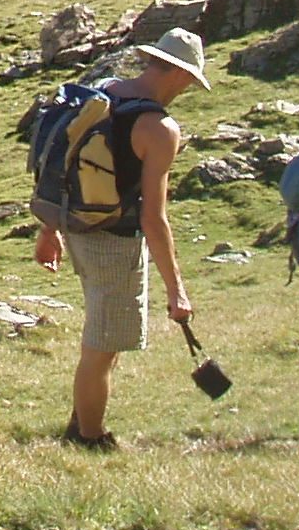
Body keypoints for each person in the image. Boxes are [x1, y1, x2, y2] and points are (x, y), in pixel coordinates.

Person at [34, 27, 208, 449]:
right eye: (190, 79)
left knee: (105, 339)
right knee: (101, 347)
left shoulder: (105, 91)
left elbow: (63, 163)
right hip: (114, 243)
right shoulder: (159, 128)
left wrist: (50, 228)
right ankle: (88, 438)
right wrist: (177, 291)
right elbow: (154, 218)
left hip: (78, 228)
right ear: (180, 74)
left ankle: (83, 421)